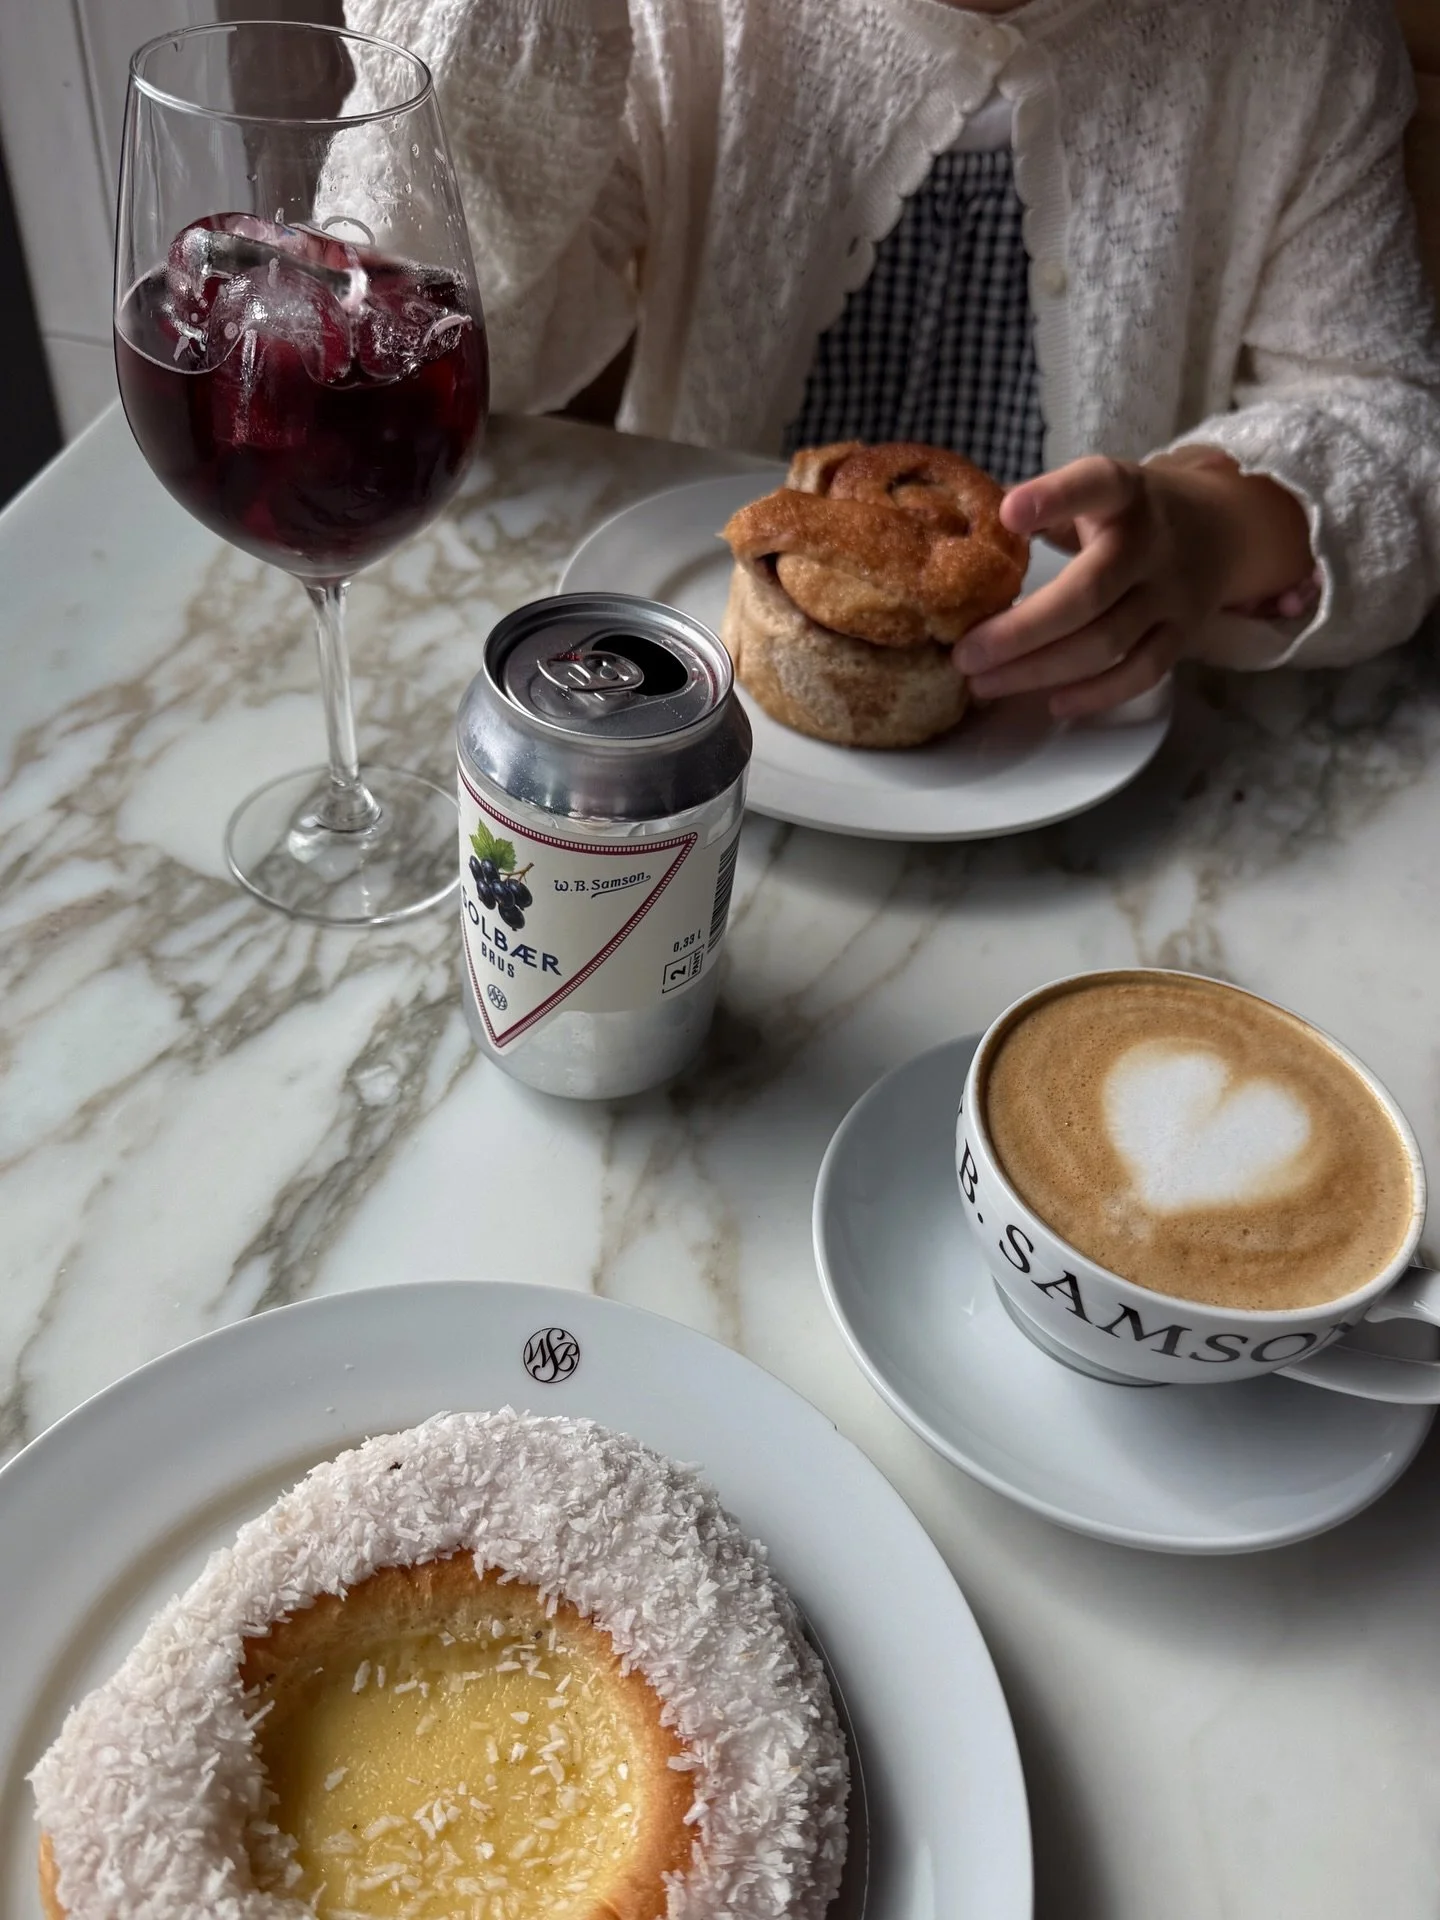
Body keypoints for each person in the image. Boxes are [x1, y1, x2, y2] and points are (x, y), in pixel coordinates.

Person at [344, 0, 1440, 717]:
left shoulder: (1302, 42)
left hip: (1081, 754)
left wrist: (1210, 532)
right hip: (670, 700)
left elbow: (1394, 425)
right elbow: (436, 353)